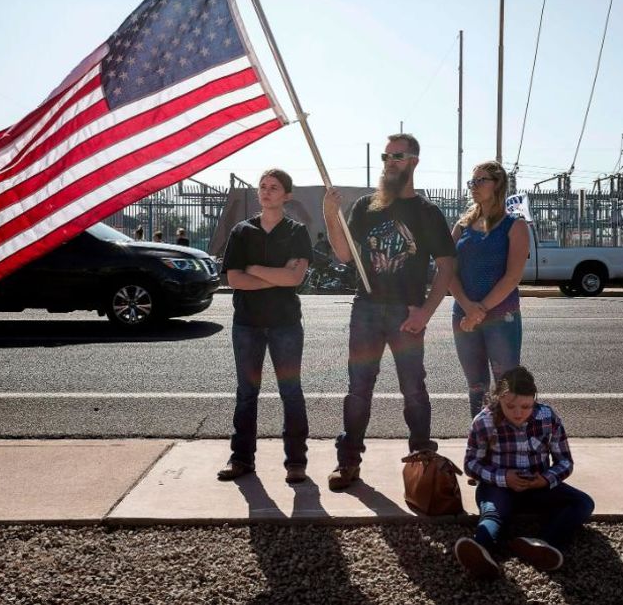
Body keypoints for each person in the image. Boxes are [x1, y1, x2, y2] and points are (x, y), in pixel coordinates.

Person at [322, 133, 457, 491]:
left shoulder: (427, 213)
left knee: (414, 389)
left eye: (397, 156)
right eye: (386, 156)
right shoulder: (367, 206)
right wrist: (330, 216)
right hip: (365, 307)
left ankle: (423, 461)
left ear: (414, 160)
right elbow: (344, 254)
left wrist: (426, 312)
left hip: (406, 312)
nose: (389, 162)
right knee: (358, 390)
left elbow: (446, 266)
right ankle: (348, 463)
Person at [217, 169, 312, 484]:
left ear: (287, 195)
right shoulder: (241, 232)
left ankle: (296, 463)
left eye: (274, 187)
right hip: (247, 324)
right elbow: (233, 279)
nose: (267, 191)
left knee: (291, 392)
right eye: (263, 187)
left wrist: (254, 269)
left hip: (285, 324)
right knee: (246, 393)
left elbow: (294, 278)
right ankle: (241, 459)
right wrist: (276, 276)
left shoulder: (296, 232)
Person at [454, 366, 594, 579]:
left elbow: (565, 461)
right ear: (498, 398)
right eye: (510, 406)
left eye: (526, 406)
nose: (518, 413)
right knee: (493, 513)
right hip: (497, 488)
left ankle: (543, 544)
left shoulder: (548, 417)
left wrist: (545, 480)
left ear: (534, 400)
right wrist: (504, 478)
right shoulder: (484, 421)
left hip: (537, 486)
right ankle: (480, 551)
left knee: (583, 503)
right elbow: (471, 465)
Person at [449, 160, 531, 418]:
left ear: (498, 185)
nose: (474, 186)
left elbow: (512, 276)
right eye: (472, 182)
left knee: (506, 386)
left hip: (501, 317)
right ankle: (480, 441)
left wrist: (481, 309)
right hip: (463, 314)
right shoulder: (461, 227)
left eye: (480, 180)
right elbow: (448, 271)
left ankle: (507, 443)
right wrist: (468, 307)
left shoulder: (514, 226)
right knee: (476, 387)